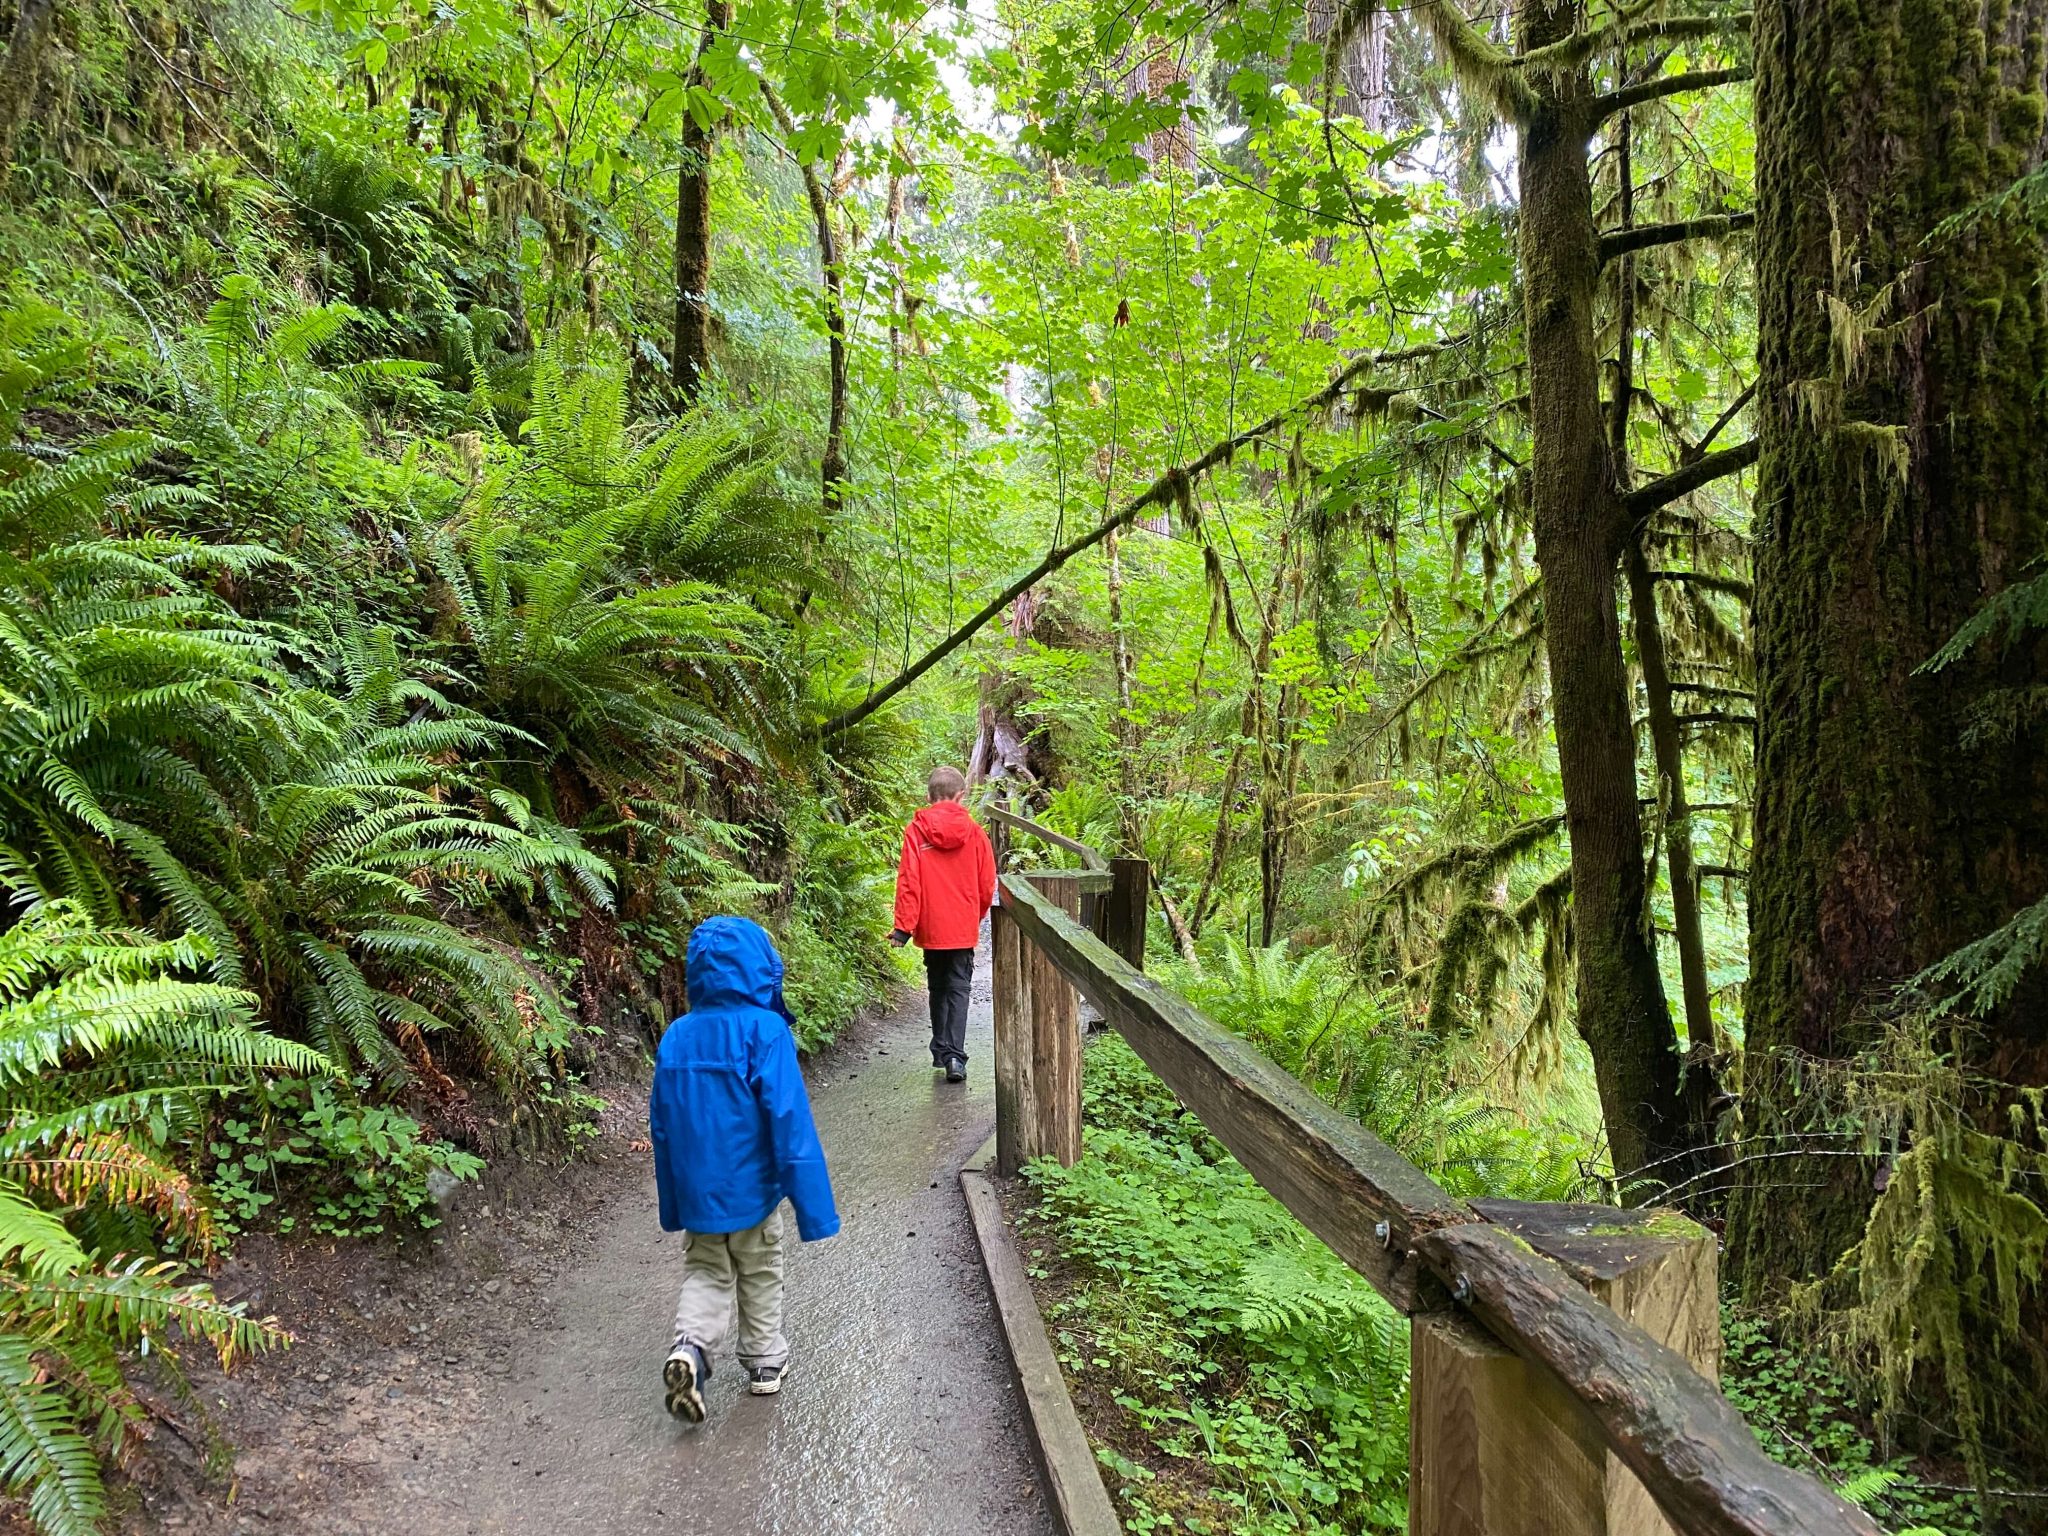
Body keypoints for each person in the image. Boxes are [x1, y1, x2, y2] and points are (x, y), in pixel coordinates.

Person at [649, 916, 839, 1423]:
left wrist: (674, 1201)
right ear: (759, 969)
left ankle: (690, 1350)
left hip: (698, 1194)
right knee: (758, 1270)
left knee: (706, 1271)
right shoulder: (766, 1031)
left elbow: (662, 1128)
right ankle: (762, 1363)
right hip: (753, 1191)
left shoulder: (676, 1037)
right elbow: (789, 1122)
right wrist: (814, 1211)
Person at [891, 765, 997, 1083]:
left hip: (932, 926)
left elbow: (909, 880)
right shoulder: (976, 833)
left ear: (930, 795)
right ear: (961, 796)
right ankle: (955, 1057)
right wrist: (973, 916)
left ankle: (941, 1050)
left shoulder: (916, 830)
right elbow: (986, 884)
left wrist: (903, 927)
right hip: (961, 925)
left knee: (937, 985)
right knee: (959, 988)